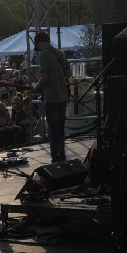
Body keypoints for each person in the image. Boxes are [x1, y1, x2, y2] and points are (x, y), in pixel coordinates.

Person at [33, 31, 71, 163]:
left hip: (52, 97)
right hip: (63, 97)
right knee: (60, 129)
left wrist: (36, 87)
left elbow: (44, 77)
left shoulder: (44, 55)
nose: (38, 50)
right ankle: (62, 155)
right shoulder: (60, 53)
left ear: (40, 42)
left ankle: (56, 159)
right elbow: (69, 73)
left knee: (53, 131)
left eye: (37, 47)